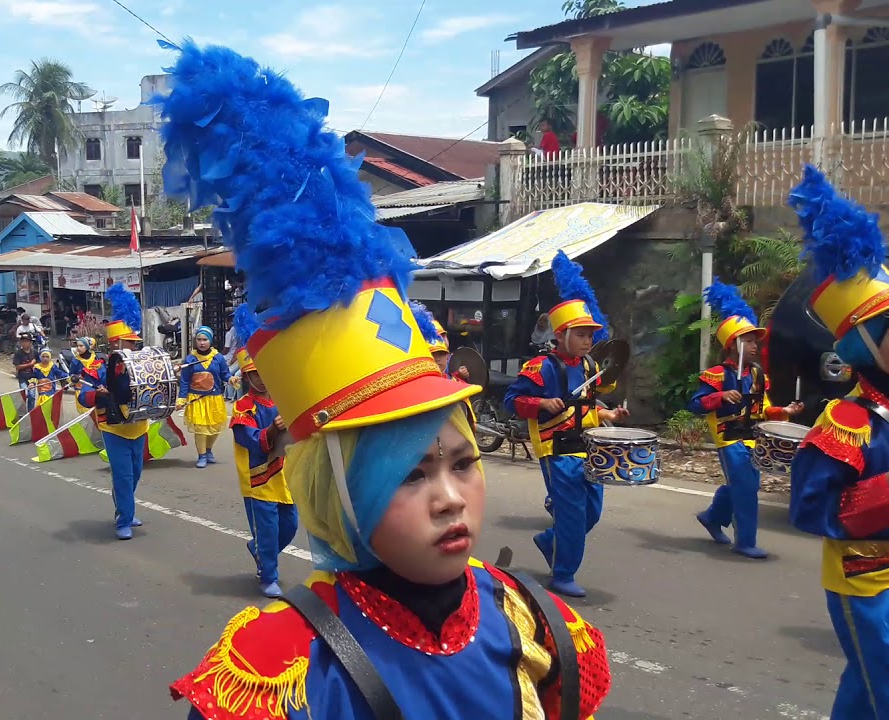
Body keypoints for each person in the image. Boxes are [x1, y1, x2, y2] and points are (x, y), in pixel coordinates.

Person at [160, 40, 612, 720]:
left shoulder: (533, 622)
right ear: (339, 493)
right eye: (410, 474)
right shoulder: (280, 671)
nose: (451, 499)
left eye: (463, 463)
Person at [788, 166, 889, 717]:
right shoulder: (845, 422)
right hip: (868, 585)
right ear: (865, 347)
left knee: (874, 691)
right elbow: (809, 508)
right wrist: (888, 487)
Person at [503, 250, 628, 598]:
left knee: (592, 512)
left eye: (590, 335)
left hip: (588, 448)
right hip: (556, 450)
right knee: (572, 513)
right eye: (581, 334)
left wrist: (609, 416)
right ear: (560, 335)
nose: (588, 341)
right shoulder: (540, 367)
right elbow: (512, 401)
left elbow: (586, 409)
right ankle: (563, 573)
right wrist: (542, 403)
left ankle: (551, 541)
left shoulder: (590, 367)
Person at [690, 281, 802, 559]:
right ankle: (745, 541)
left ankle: (712, 517)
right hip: (728, 437)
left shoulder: (756, 375)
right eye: (748, 341)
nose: (754, 346)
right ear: (732, 345)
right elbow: (695, 404)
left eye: (755, 341)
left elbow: (764, 410)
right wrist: (720, 396)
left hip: (752, 436)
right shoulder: (717, 375)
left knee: (743, 483)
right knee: (746, 488)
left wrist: (786, 411)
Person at [228, 304, 297, 598]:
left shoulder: (283, 398)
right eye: (256, 374)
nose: (262, 378)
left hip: (284, 476)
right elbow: (250, 439)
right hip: (259, 481)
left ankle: (259, 550)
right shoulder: (244, 406)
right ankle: (268, 574)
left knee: (290, 525)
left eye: (265, 372)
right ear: (247, 375)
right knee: (267, 531)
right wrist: (274, 429)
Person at [78, 283, 149, 540]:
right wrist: (99, 394)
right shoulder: (98, 367)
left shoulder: (142, 364)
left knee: (135, 473)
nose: (134, 347)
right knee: (123, 475)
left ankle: (123, 506)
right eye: (130, 343)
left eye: (135, 343)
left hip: (138, 427)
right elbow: (83, 396)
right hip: (113, 429)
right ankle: (124, 519)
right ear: (116, 342)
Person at [179, 325, 231, 468]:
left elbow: (225, 374)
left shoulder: (218, 358)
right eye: (199, 339)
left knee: (215, 428)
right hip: (197, 399)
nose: (202, 343)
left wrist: (231, 379)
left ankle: (208, 450)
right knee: (201, 429)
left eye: (205, 340)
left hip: (214, 398)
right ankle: (201, 455)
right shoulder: (190, 359)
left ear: (210, 341)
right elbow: (184, 380)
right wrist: (181, 398)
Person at [13, 333, 39, 411]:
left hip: (32, 378)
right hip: (22, 377)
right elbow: (18, 367)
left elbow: (39, 364)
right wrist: (30, 364)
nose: (24, 343)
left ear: (30, 342)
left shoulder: (35, 352)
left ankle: (30, 413)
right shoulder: (18, 353)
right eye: (23, 341)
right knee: (25, 394)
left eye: (26, 341)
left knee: (32, 395)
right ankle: (22, 411)